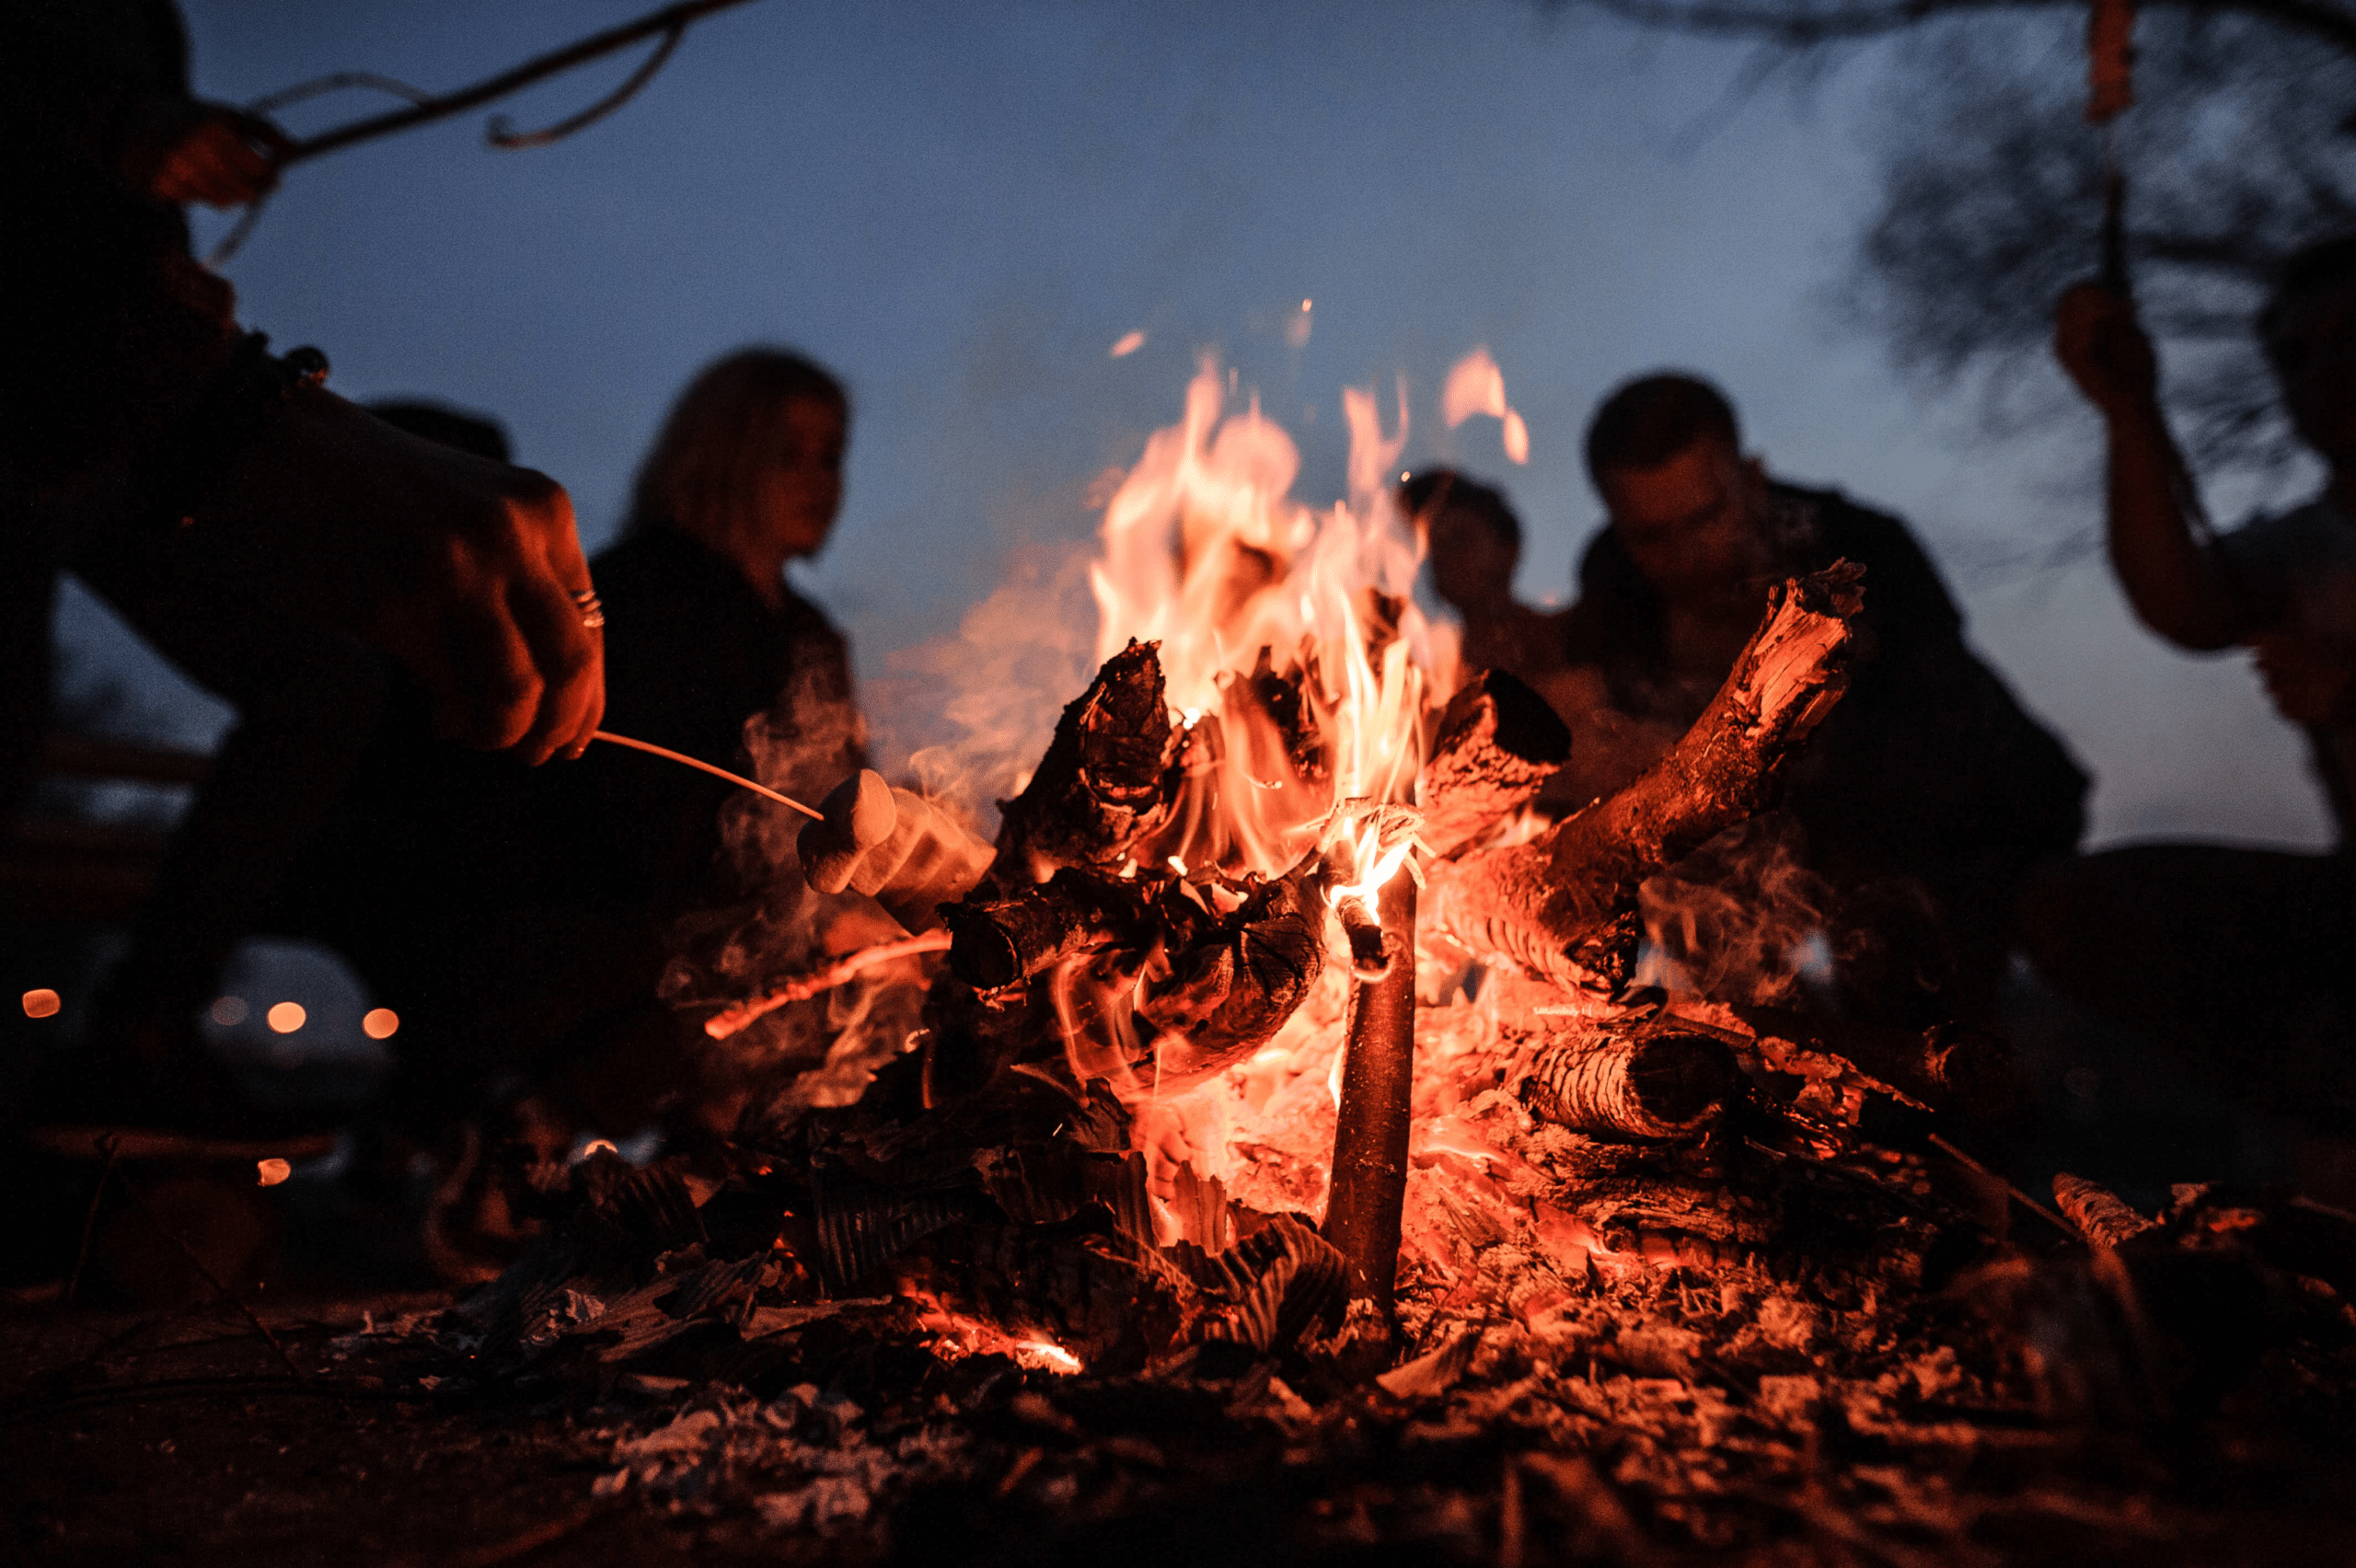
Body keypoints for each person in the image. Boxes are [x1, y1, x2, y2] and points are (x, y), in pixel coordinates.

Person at [6, 2, 605, 1147]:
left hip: (111, 419)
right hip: (69, 397)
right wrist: (123, 125)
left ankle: (140, 1035)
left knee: (321, 683)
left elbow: (129, 232)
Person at [1553, 374, 2088, 1026]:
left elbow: (1936, 742)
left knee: (1929, 1010)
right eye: (1652, 537)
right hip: (1768, 875)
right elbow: (1602, 728)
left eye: (1705, 517)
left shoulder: (1861, 550)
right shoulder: (1613, 581)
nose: (1684, 555)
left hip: (1977, 830)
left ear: (1751, 480)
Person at [2030, 241, 2356, 1102]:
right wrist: (2128, 412)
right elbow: (2183, 604)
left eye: (2350, 332)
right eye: (2296, 352)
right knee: (2073, 912)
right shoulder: (2308, 547)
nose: (2327, 366)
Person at [1402, 469, 1568, 688]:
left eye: (1460, 539)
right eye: (1434, 545)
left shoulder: (1565, 643)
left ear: (1507, 549)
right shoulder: (1433, 671)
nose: (1444, 557)